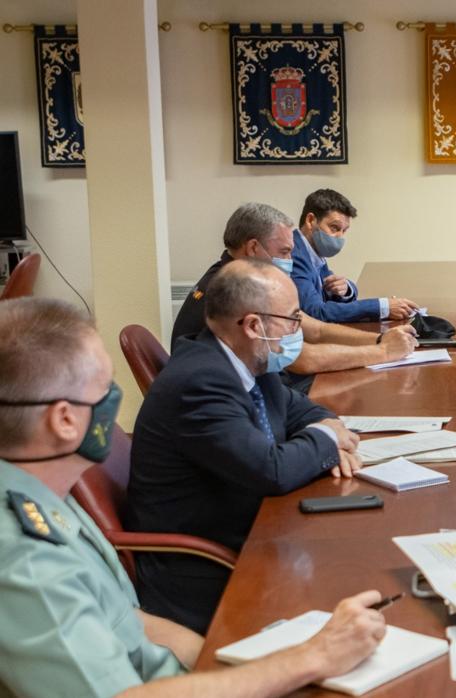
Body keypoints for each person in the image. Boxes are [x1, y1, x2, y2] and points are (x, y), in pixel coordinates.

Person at [0, 297, 386, 697]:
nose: (115, 403)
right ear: (64, 420)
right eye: (104, 388)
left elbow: (129, 620)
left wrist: (237, 665)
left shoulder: (46, 494)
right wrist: (311, 658)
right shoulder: (24, 557)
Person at [128, 259, 364, 633]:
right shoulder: (200, 381)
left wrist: (327, 425)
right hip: (208, 567)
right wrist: (327, 440)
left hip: (258, 527)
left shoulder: (246, 360)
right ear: (254, 325)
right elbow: (270, 470)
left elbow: (300, 408)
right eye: (292, 318)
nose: (296, 329)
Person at [172, 203, 418, 392]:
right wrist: (383, 352)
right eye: (285, 252)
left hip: (261, 385)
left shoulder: (240, 276)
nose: (290, 261)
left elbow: (315, 329)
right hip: (229, 394)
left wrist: (380, 339)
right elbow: (301, 359)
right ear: (253, 248)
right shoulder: (236, 290)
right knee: (357, 387)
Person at [290, 188, 420, 323]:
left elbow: (332, 290)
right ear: (311, 220)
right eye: (334, 227)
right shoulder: (292, 254)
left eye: (344, 231)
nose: (339, 237)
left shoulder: (313, 252)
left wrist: (346, 289)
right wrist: (382, 307)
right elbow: (316, 313)